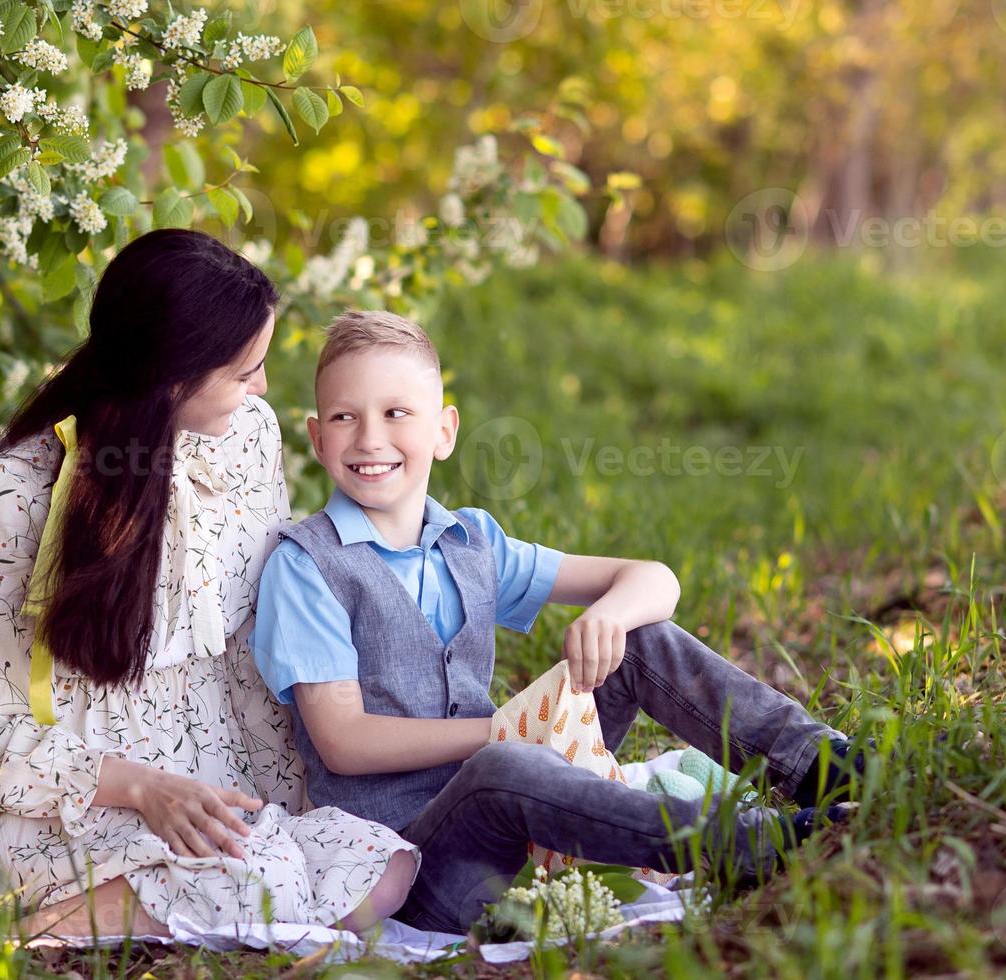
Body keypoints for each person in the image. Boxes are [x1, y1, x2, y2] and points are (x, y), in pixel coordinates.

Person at [249, 309, 869, 934]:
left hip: (534, 812)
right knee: (504, 767)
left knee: (635, 637)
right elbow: (343, 741)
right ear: (318, 438)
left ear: (444, 431)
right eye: (344, 416)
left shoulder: (471, 541)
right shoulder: (307, 566)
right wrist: (503, 733)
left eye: (396, 413)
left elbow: (656, 579)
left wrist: (607, 617)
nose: (370, 438)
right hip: (422, 867)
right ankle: (747, 845)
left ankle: (827, 768)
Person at [0, 232, 417, 941]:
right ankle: (14, 926)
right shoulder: (15, 491)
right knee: (257, 884)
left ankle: (197, 910)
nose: (260, 389)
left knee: (385, 863)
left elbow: (253, 638)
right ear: (170, 377)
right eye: (243, 371)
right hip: (76, 800)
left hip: (218, 780)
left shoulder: (246, 433)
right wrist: (145, 789)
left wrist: (290, 798)